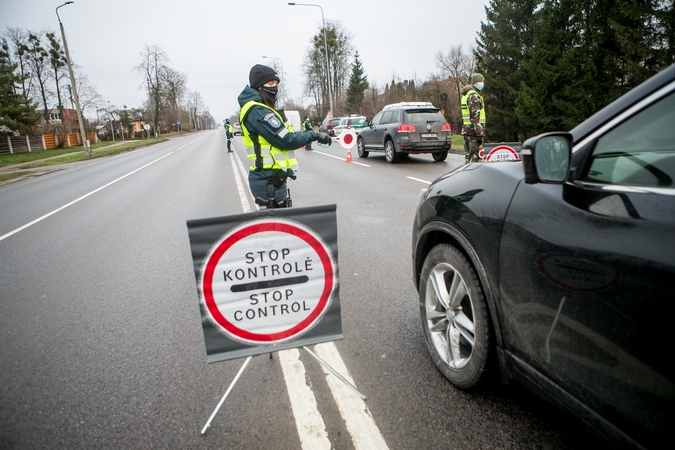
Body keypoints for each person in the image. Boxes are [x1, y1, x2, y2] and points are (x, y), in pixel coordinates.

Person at [238, 64, 331, 208]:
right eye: (270, 83)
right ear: (258, 87)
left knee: (278, 225)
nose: (274, 87)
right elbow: (286, 139)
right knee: (275, 227)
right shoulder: (257, 111)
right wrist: (314, 135)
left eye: (276, 83)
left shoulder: (261, 108)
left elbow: (287, 134)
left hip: (271, 178)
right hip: (266, 180)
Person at [460, 73, 486, 164]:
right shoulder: (473, 96)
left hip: (468, 131)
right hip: (474, 133)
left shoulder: (466, 95)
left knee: (469, 158)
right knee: (475, 160)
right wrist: (479, 133)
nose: (482, 83)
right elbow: (475, 116)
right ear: (475, 83)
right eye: (481, 81)